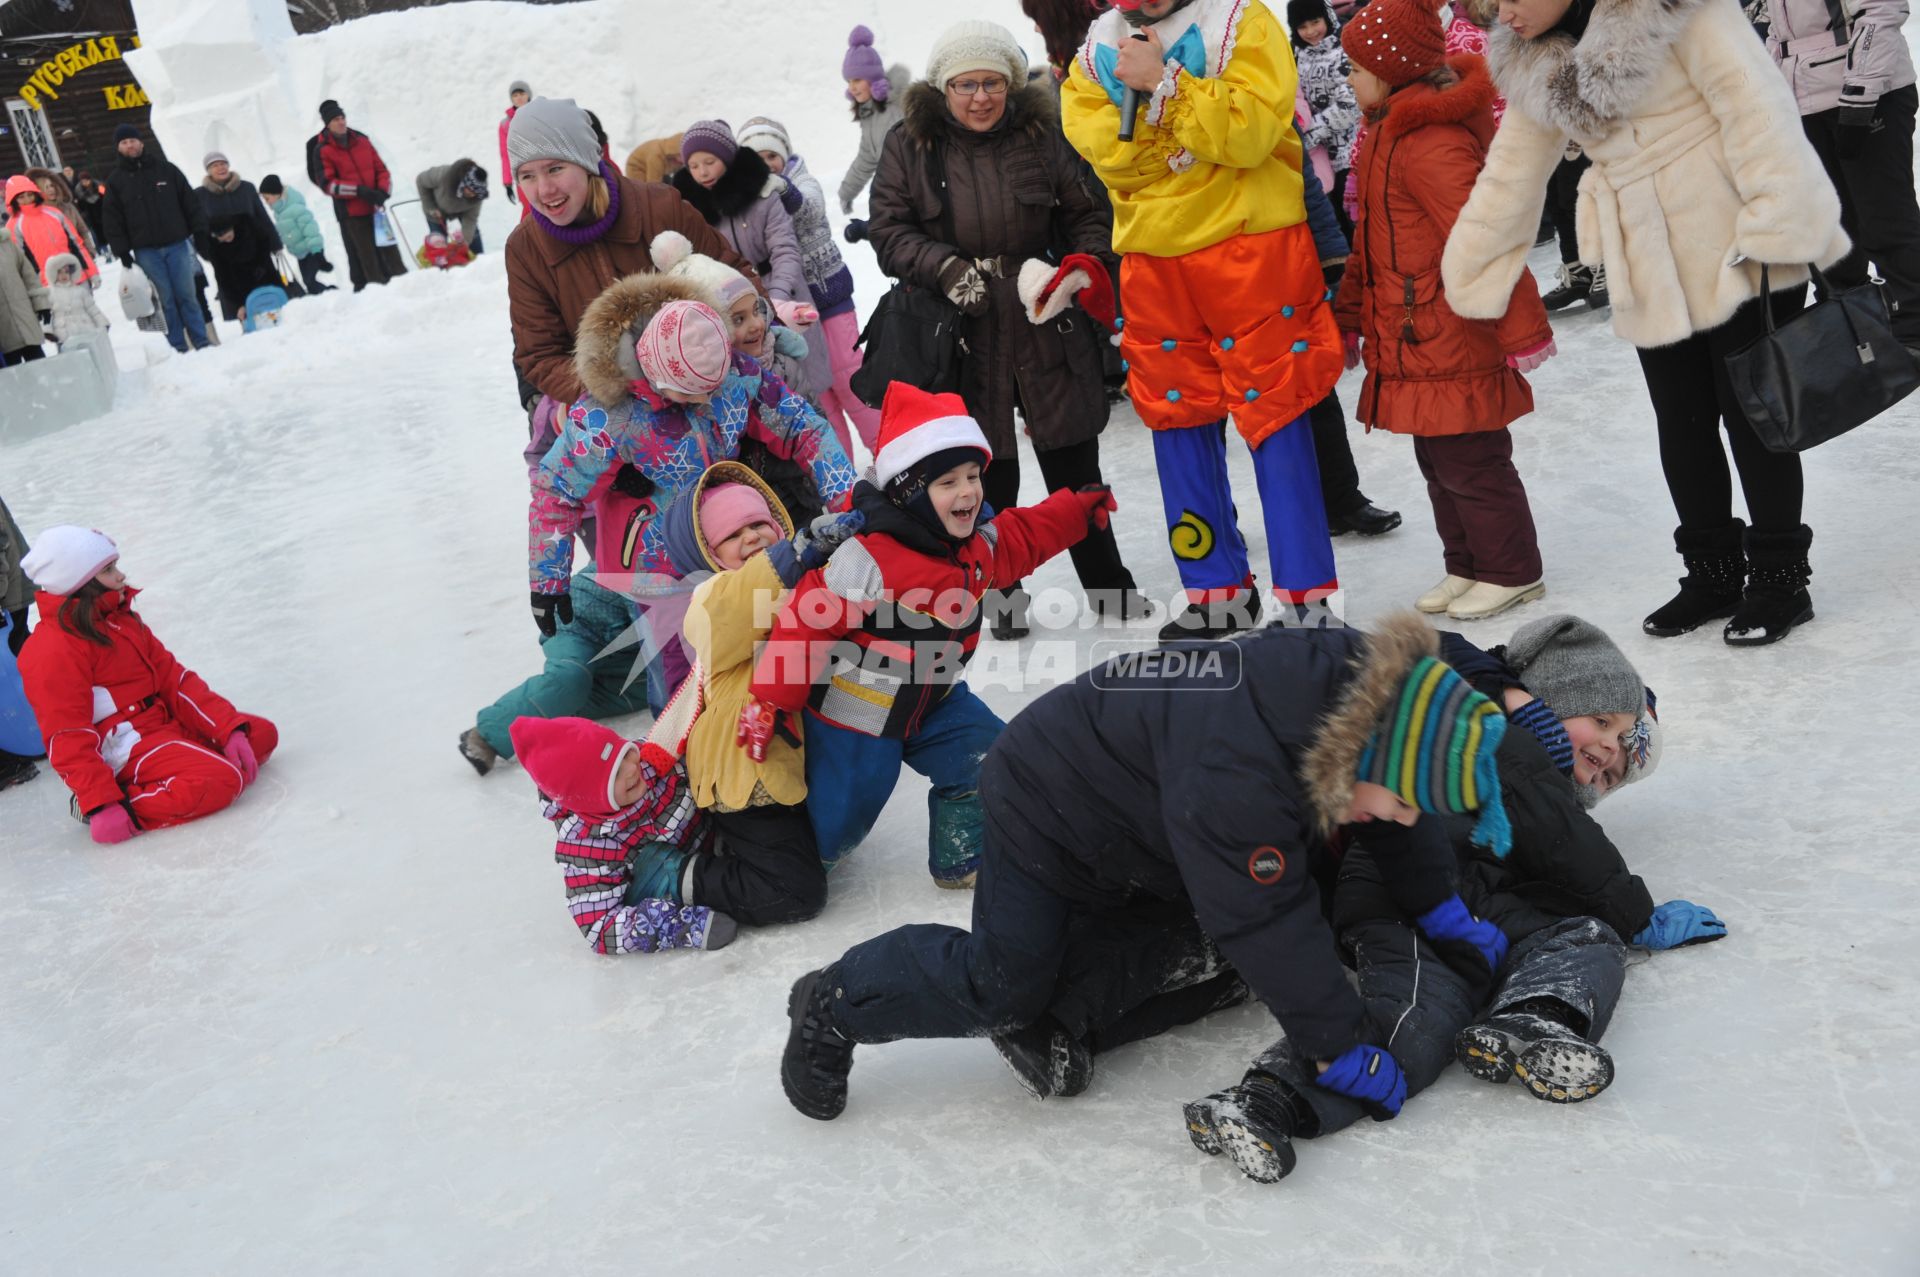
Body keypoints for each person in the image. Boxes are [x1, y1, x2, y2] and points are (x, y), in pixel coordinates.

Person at [776, 611, 1511, 1122]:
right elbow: (1264, 913)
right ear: (1375, 756)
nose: (1403, 820)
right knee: (1003, 984)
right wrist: (1338, 1045)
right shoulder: (1240, 774)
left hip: (1146, 814)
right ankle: (836, 1000)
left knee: (1238, 949)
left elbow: (1390, 802)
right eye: (1404, 803)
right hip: (1049, 805)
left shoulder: (1370, 696)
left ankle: (1064, 1017)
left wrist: (1437, 904)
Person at [1181, 616, 1722, 1184]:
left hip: (1464, 902)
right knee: (1579, 939)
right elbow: (1571, 847)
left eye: (1613, 774)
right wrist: (1636, 915)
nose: (1607, 751)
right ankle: (1270, 1097)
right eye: (1601, 723)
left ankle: (1533, 1018)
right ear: (1549, 700)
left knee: (1428, 1015)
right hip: (1406, 889)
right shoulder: (1499, 737)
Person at [1443, 0, 1848, 647]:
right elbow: (1511, 174)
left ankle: (1779, 580)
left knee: (1753, 416)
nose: (1501, 12)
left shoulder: (1678, 9)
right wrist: (1470, 270)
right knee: (1682, 421)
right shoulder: (1533, 57)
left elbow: (1756, 107)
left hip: (1734, 239)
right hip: (1645, 255)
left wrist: (1778, 222)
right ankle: (1712, 574)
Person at [742, 381, 1111, 888]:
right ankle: (796, 867)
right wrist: (770, 698)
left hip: (933, 699)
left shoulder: (975, 544)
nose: (968, 492)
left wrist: (1074, 511)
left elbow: (1021, 538)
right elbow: (805, 622)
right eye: (948, 483)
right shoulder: (868, 557)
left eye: (973, 476)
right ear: (911, 491)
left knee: (987, 754)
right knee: (844, 812)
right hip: (858, 714)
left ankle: (963, 857)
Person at [1063, 0, 1346, 640]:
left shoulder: (1242, 21)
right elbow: (1112, 156)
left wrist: (1162, 87)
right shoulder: (1097, 49)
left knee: (1277, 413)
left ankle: (1307, 598)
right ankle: (1216, 593)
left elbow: (1250, 134)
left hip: (1255, 252)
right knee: (1175, 418)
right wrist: (1194, 140)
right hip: (1154, 263)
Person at [872, 20, 1149, 638]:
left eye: (992, 83)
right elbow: (889, 230)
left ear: (1010, 84)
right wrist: (944, 269)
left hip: (1043, 317)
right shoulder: (910, 144)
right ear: (944, 88)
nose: (980, 97)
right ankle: (1003, 603)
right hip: (961, 334)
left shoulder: (1043, 133)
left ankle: (1111, 591)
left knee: (1076, 464)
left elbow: (1089, 213)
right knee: (985, 475)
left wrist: (1077, 271)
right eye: (966, 84)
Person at [527, 287, 856, 696]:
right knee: (680, 683)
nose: (703, 400)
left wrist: (846, 503)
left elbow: (802, 427)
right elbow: (556, 489)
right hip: (656, 566)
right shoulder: (609, 414)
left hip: (731, 545)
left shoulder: (736, 373)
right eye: (687, 392)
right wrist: (548, 579)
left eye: (711, 389)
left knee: (760, 658)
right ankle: (674, 756)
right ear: (653, 375)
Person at [1337, 0, 1554, 621]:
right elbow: (1369, 244)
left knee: (1473, 463)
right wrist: (1350, 315)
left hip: (1452, 330)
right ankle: (1466, 565)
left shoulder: (1429, 142)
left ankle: (1512, 571)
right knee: (1437, 462)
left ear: (1392, 68)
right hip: (1412, 331)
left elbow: (1485, 239)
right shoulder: (1386, 132)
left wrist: (1522, 330)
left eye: (1355, 67)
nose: (1347, 78)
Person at [657, 464, 862, 926]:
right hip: (746, 762)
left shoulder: (798, 579)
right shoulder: (709, 598)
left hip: (789, 747)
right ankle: (683, 876)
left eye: (758, 525)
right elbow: (742, 605)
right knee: (795, 891)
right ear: (709, 553)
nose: (751, 537)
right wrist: (791, 557)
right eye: (734, 534)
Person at [504, 96, 760, 424]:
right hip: (623, 422)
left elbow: (735, 275)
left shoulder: (659, 207)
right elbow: (540, 355)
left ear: (585, 161)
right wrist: (622, 392)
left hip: (713, 394)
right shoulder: (526, 250)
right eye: (527, 176)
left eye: (555, 168)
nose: (544, 189)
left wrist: (726, 347)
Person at [17, 527, 278, 843]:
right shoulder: (52, 649)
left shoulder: (119, 618)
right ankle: (122, 801)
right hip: (124, 744)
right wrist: (100, 803)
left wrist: (227, 729)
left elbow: (175, 681)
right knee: (223, 780)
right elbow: (67, 734)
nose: (121, 575)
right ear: (80, 584)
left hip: (162, 720)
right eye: (109, 570)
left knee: (259, 735)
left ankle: (192, 758)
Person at [509, 714, 737, 954]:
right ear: (591, 797)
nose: (631, 768)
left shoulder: (651, 756)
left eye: (623, 753)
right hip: (665, 882)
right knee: (658, 860)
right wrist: (681, 925)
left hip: (711, 840)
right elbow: (599, 927)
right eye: (615, 773)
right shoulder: (587, 846)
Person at [1766, 0, 1920, 351]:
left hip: (1868, 96)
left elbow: (1881, 9)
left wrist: (1859, 94)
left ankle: (1913, 335)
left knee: (1886, 223)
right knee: (1831, 232)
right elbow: (1782, 34)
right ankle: (1852, 335)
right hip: (1805, 101)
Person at [738, 116, 883, 457]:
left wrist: (783, 189)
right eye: (756, 160)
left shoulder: (800, 179)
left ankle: (887, 449)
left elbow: (810, 207)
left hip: (828, 298)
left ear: (785, 155)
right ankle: (843, 469)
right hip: (792, 310)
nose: (767, 166)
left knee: (849, 377)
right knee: (819, 392)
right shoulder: (747, 200)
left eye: (772, 156)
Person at [671, 121, 810, 309]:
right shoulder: (692, 211)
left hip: (784, 297)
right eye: (693, 166)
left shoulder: (763, 194)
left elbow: (785, 250)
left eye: (710, 162)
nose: (702, 172)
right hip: (736, 307)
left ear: (727, 158)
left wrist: (778, 297)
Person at [102, 125, 212, 353]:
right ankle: (177, 346)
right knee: (165, 300)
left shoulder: (166, 170)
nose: (129, 145)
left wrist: (199, 231)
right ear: (118, 148)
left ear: (141, 143)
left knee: (187, 295)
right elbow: (112, 219)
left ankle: (201, 341)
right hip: (146, 251)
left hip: (177, 245)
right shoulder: (116, 181)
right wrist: (122, 251)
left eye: (132, 140)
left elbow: (190, 202)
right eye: (124, 143)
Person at [1288, 0, 1366, 235]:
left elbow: (1349, 105)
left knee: (1352, 217)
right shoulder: (1297, 55)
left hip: (1348, 153)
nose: (1311, 31)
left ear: (1327, 19)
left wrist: (1309, 134)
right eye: (1303, 26)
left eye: (1315, 22)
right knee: (1332, 220)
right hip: (1319, 158)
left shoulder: (1343, 51)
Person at [316, 100, 407, 289]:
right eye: (335, 119)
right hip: (354, 215)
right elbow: (328, 185)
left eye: (342, 117)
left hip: (377, 209)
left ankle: (405, 285)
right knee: (369, 259)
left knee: (391, 252)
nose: (341, 122)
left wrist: (383, 191)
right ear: (327, 124)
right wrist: (359, 191)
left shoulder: (362, 141)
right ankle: (379, 294)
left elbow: (382, 170)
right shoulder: (323, 150)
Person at [195, 151, 283, 322]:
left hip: (255, 248)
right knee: (237, 295)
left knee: (265, 289)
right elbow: (199, 227)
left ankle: (275, 320)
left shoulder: (246, 188)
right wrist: (207, 252)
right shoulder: (200, 195)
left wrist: (275, 243)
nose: (220, 167)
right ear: (208, 170)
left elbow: (261, 216)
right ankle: (248, 326)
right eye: (214, 165)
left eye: (223, 163)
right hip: (225, 254)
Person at [839, 26, 910, 216]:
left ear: (873, 80)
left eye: (857, 80)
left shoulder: (896, 107)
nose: (852, 88)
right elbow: (866, 158)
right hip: (897, 196)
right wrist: (846, 192)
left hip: (914, 197)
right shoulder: (870, 114)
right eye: (849, 82)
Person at [7, 175, 97, 286]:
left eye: (30, 195)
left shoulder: (53, 213)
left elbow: (76, 243)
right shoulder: (14, 225)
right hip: (47, 284)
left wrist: (91, 271)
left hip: (74, 275)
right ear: (13, 200)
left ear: (35, 194)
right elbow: (19, 261)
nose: (27, 200)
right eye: (21, 197)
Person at [258, 174, 335, 295]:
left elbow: (311, 230)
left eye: (267, 198)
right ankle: (323, 298)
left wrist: (317, 251)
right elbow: (283, 232)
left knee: (310, 281)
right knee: (308, 282)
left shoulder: (296, 208)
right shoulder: (279, 213)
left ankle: (332, 294)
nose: (266, 202)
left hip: (310, 251)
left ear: (276, 194)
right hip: (300, 254)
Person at [416, 157, 489, 253]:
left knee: (472, 234)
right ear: (464, 183)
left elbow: (470, 219)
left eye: (475, 193)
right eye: (471, 191)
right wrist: (431, 207)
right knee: (438, 240)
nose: (472, 195)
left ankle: (480, 260)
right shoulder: (443, 174)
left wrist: (464, 242)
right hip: (436, 208)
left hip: (462, 210)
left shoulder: (478, 195)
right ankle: (441, 265)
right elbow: (420, 180)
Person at [0, 228, 49, 365]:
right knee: (13, 380)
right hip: (4, 334)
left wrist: (41, 304)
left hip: (25, 320)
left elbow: (29, 276)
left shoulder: (6, 244)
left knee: (41, 369)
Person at [26, 168, 97, 259]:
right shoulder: (38, 214)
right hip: (58, 262)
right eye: (46, 187)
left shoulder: (68, 207)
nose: (51, 190)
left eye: (52, 186)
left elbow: (83, 231)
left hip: (81, 256)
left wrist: (89, 251)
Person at [42, 253, 108, 346]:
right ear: (54, 273)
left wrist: (102, 323)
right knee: (71, 359)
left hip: (86, 331)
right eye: (60, 272)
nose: (64, 275)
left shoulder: (80, 291)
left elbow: (92, 308)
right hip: (64, 336)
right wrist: (48, 332)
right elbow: (46, 315)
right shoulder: (49, 293)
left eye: (66, 272)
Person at [499, 80, 530, 214]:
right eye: (515, 95)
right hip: (522, 173)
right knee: (529, 211)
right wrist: (507, 182)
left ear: (528, 95)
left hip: (544, 168)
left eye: (522, 93)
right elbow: (505, 154)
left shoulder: (541, 113)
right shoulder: (505, 124)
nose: (519, 97)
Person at [624, 134, 688, 185]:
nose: (685, 159)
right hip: (637, 169)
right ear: (675, 152)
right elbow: (653, 183)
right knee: (643, 191)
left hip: (658, 171)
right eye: (683, 156)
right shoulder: (657, 156)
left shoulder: (672, 157)